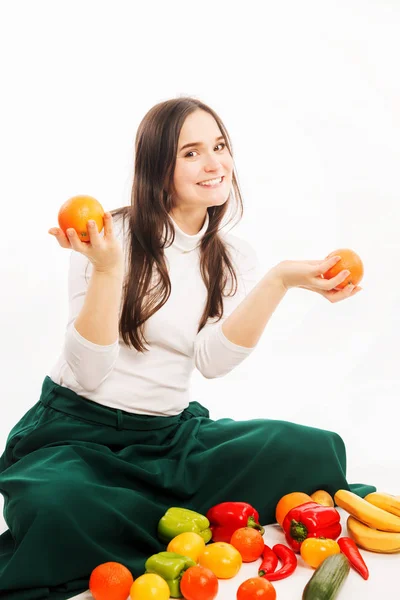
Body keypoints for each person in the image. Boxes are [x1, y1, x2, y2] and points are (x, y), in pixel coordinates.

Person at [0, 97, 375, 599]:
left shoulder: (234, 256)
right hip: (77, 435)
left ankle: (136, 515)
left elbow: (211, 362)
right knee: (56, 505)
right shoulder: (107, 237)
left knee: (310, 448)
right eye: (192, 152)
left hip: (170, 438)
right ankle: (163, 517)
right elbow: (88, 373)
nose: (215, 163)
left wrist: (280, 281)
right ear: (158, 167)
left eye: (220, 146)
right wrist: (110, 270)